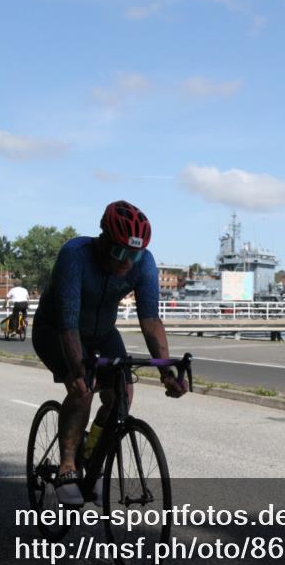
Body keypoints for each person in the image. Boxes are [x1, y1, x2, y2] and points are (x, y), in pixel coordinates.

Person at [32, 200, 188, 505]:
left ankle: (91, 452)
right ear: (103, 238)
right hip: (56, 330)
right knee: (83, 390)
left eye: (134, 254)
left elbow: (151, 321)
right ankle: (66, 467)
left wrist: (166, 372)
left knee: (123, 394)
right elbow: (69, 321)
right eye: (120, 252)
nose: (127, 262)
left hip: (102, 332)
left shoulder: (144, 263)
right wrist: (77, 371)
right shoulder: (75, 255)